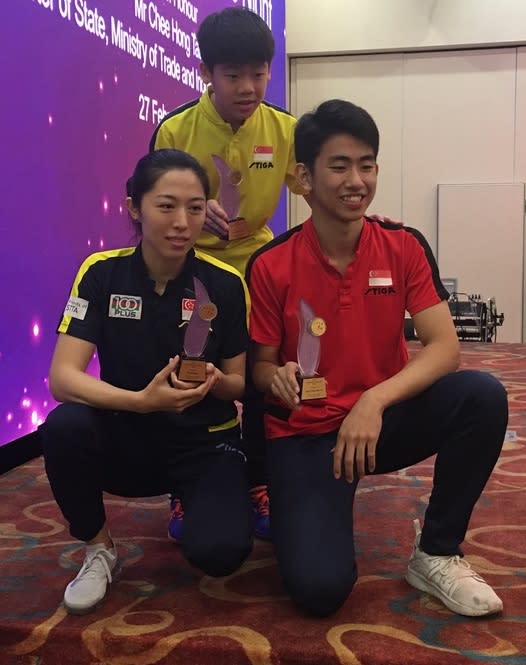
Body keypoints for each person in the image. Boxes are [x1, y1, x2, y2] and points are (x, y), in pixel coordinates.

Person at [246, 99, 508, 617]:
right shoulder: (271, 263)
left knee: (481, 396)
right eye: (339, 166)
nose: (356, 180)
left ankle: (436, 551)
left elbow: (445, 348)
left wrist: (374, 400)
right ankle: (301, 509)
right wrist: (275, 378)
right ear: (303, 177)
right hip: (309, 432)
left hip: (380, 421)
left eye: (367, 165)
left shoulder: (403, 245)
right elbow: (259, 368)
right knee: (320, 590)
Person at [41, 149, 253, 615]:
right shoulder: (101, 273)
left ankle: (198, 501)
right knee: (64, 427)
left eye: (195, 208)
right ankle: (99, 549)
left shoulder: (225, 282)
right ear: (134, 207)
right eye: (166, 205)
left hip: (204, 442)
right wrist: (141, 401)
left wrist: (216, 381)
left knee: (221, 555)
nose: (182, 222)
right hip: (127, 437)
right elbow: (63, 378)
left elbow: (240, 384)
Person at [150, 7, 304, 541]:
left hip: (258, 266)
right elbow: (158, 205)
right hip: (194, 266)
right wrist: (190, 212)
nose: (248, 87)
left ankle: (258, 481)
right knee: (189, 370)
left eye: (259, 73)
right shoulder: (176, 127)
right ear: (206, 73)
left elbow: (317, 188)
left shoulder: (285, 129)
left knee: (265, 376)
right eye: (233, 75)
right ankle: (184, 491)